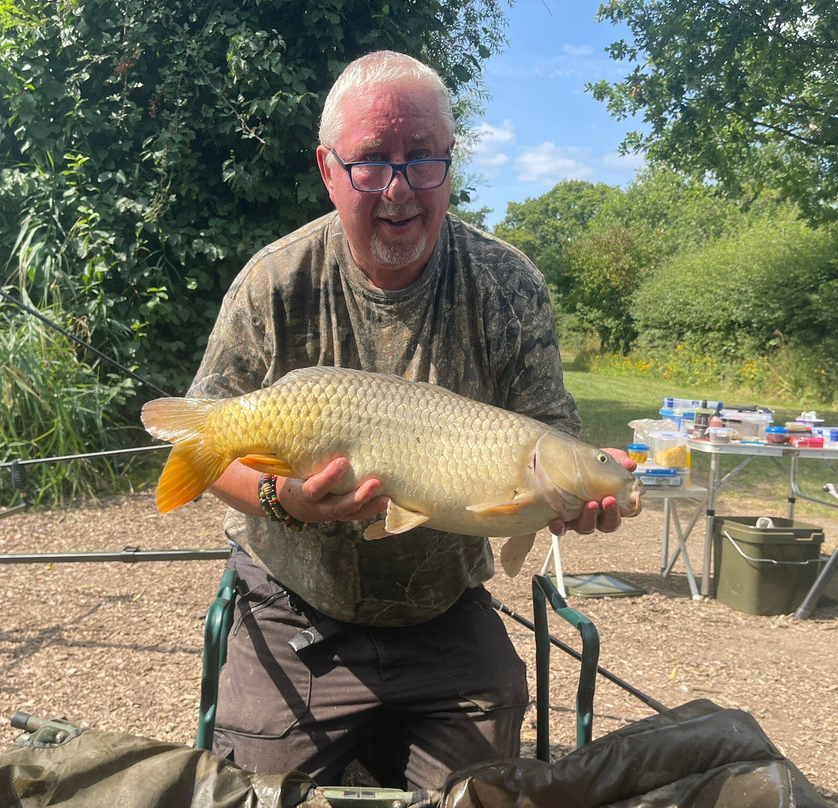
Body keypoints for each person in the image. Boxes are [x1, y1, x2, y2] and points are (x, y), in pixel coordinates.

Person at [186, 50, 635, 790]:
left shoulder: (507, 284)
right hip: (293, 602)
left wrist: (576, 498)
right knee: (254, 795)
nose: (399, 189)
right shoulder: (274, 281)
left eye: (422, 158)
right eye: (371, 161)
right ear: (328, 170)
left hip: (445, 614)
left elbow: (551, 441)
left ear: (450, 165)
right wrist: (282, 500)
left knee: (486, 795)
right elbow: (211, 445)